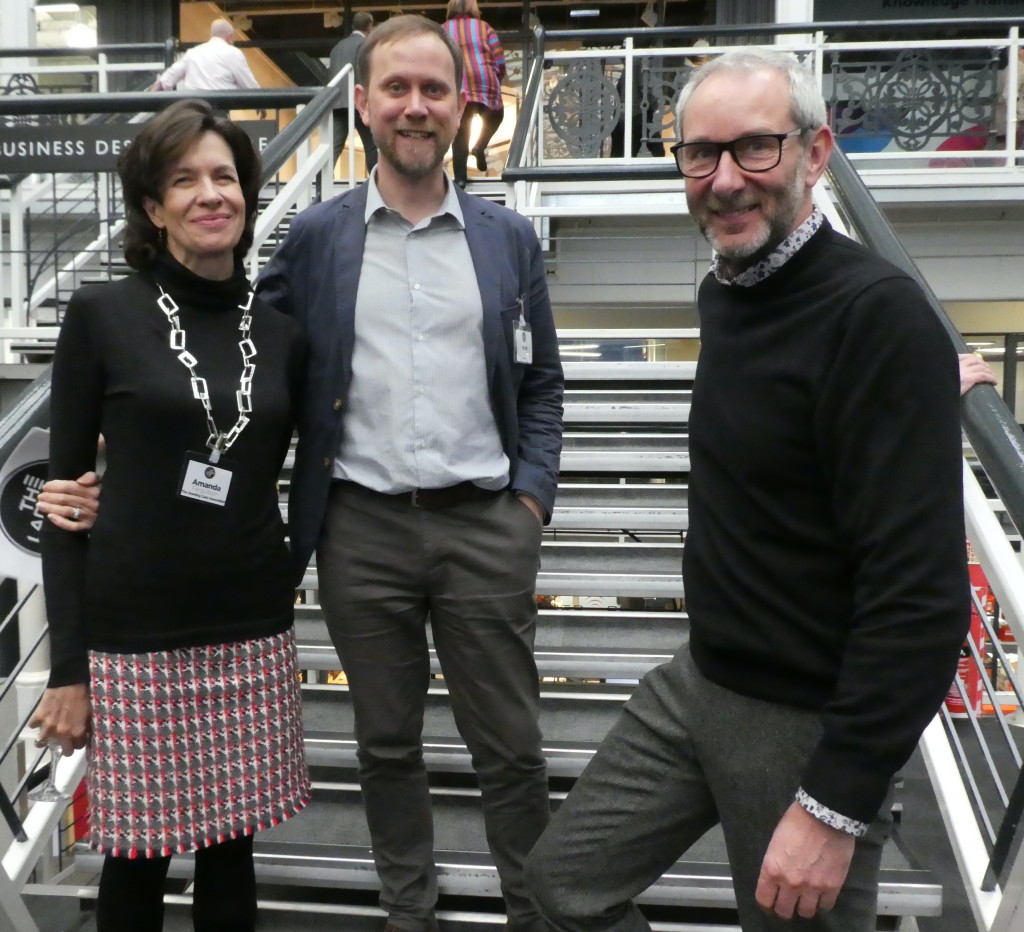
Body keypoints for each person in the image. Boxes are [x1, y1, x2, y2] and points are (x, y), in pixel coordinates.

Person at [524, 48, 970, 932]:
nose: (725, 180)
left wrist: (835, 803)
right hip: (702, 681)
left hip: (804, 722)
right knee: (560, 885)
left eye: (755, 149)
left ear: (814, 153)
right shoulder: (727, 292)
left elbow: (921, 603)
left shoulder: (877, 317)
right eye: (700, 154)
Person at [257, 15, 561, 932]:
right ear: (362, 104)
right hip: (362, 530)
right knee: (385, 745)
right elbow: (253, 367)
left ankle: (534, 908)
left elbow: (541, 381)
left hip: (485, 526)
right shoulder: (314, 239)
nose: (415, 107)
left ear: (462, 104)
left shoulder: (509, 240)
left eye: (434, 89)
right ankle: (409, 912)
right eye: (397, 89)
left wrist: (531, 502)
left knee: (511, 748)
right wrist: (132, 442)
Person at [30, 99, 310, 932]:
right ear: (154, 208)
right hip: (134, 633)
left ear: (248, 196)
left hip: (250, 625)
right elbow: (64, 501)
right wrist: (68, 670)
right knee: (137, 858)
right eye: (183, 180)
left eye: (224, 176)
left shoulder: (285, 335)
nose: (209, 194)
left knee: (233, 851)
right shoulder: (102, 315)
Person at [444, 0, 507, 186]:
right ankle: (480, 146)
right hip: (484, 77)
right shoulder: (484, 27)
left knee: (461, 130)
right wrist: (498, 77)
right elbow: (499, 58)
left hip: (457, 82)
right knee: (496, 114)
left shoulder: (442, 31)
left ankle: (461, 178)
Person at [329, 11, 378, 174]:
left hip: (337, 102)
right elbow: (364, 73)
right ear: (370, 27)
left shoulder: (337, 47)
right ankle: (375, 180)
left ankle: (322, 184)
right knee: (371, 144)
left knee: (334, 145)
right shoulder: (366, 46)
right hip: (359, 103)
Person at [152, 19, 260, 92]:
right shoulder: (234, 53)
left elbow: (167, 79)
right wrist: (260, 103)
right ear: (230, 37)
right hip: (218, 110)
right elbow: (248, 83)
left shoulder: (192, 52)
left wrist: (147, 101)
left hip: (192, 111)